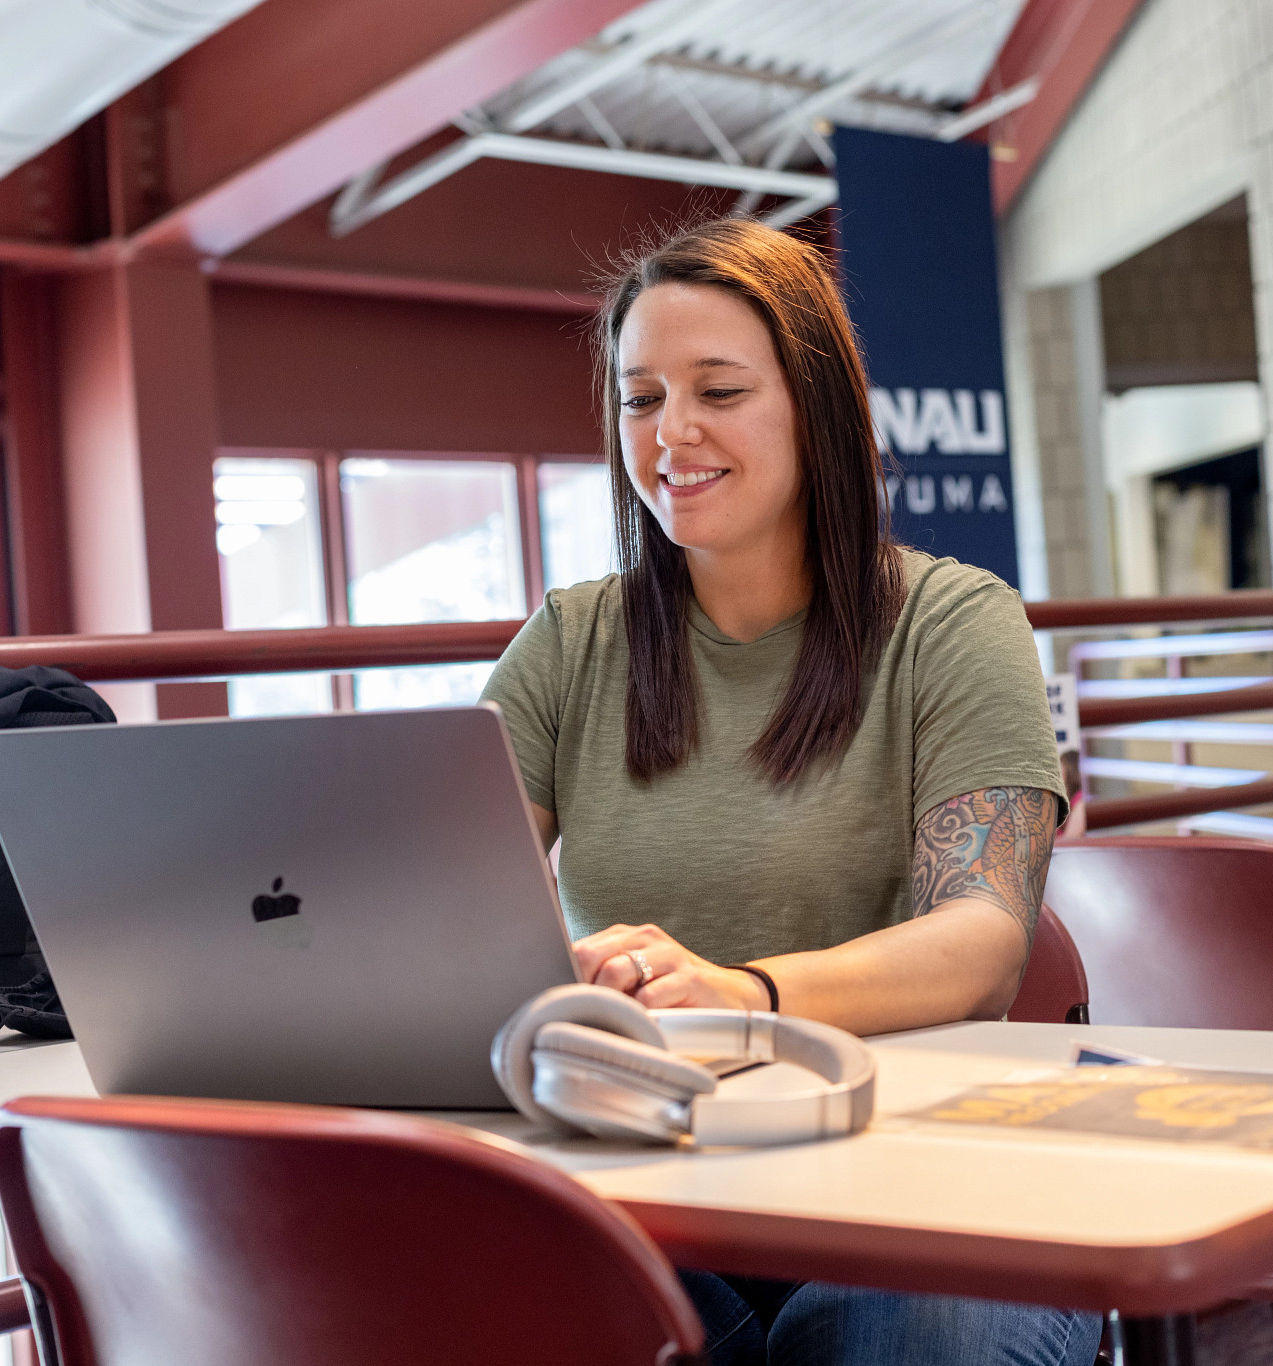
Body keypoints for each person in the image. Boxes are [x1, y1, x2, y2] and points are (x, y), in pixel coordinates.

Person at [481, 217, 1098, 1366]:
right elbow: (443, 910)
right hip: (658, 1173)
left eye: (717, 389)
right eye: (640, 398)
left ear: (815, 410)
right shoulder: (570, 642)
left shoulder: (954, 622)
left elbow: (983, 940)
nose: (672, 433)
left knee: (901, 1338)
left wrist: (741, 992)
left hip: (917, 1183)